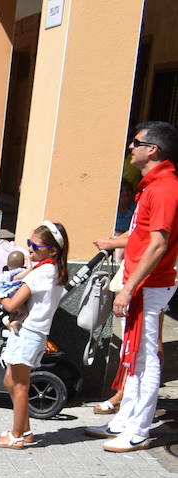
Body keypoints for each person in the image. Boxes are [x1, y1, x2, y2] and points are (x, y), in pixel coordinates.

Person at [87, 121, 178, 452]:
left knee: (146, 358)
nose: (130, 147)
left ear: (152, 149)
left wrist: (128, 289)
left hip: (149, 286)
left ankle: (138, 429)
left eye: (135, 142)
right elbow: (142, 234)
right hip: (141, 283)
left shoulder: (165, 188)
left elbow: (158, 244)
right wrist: (113, 242)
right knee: (134, 357)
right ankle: (124, 421)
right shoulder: (151, 186)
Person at [0, 222, 68, 449]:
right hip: (29, 332)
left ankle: (16, 436)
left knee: (19, 385)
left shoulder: (42, 274)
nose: (30, 249)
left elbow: (12, 303)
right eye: (29, 243)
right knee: (10, 381)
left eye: (35, 246)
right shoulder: (50, 271)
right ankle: (26, 429)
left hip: (30, 333)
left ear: (53, 251)